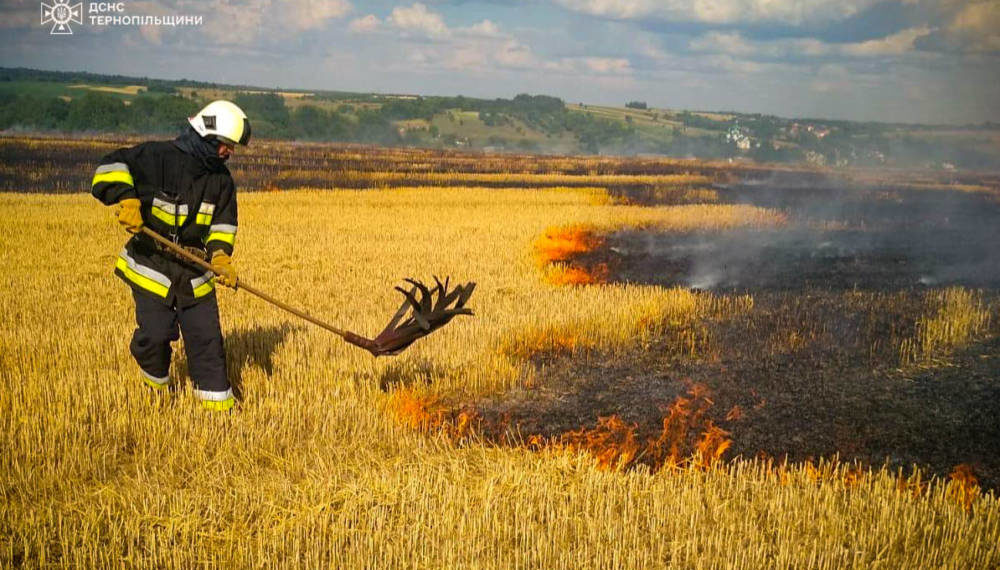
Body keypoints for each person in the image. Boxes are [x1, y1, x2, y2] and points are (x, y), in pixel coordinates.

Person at [91, 100, 251, 411]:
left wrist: (219, 258)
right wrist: (126, 199)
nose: (228, 153)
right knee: (156, 334)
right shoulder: (156, 157)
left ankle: (219, 410)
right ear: (206, 135)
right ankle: (155, 392)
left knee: (208, 342)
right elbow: (108, 167)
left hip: (195, 270)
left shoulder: (222, 182)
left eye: (231, 147)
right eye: (225, 145)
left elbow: (222, 225)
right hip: (152, 264)